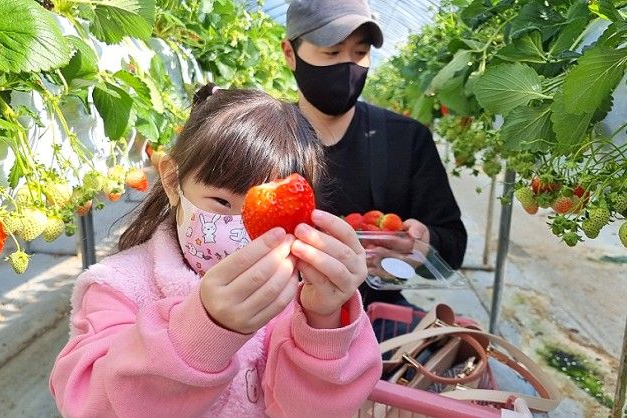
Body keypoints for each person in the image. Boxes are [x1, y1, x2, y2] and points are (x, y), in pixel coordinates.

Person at [49, 84, 382, 417]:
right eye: (222, 202)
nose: (242, 230)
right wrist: (204, 330)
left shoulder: (295, 296)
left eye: (268, 215)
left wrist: (324, 318)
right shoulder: (118, 287)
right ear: (171, 180)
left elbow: (315, 410)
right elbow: (92, 404)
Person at [281, 0, 468, 314]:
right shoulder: (262, 141)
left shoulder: (405, 139)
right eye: (332, 52)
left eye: (359, 53)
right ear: (290, 53)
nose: (348, 66)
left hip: (373, 319)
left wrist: (422, 245)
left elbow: (452, 245)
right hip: (272, 322)